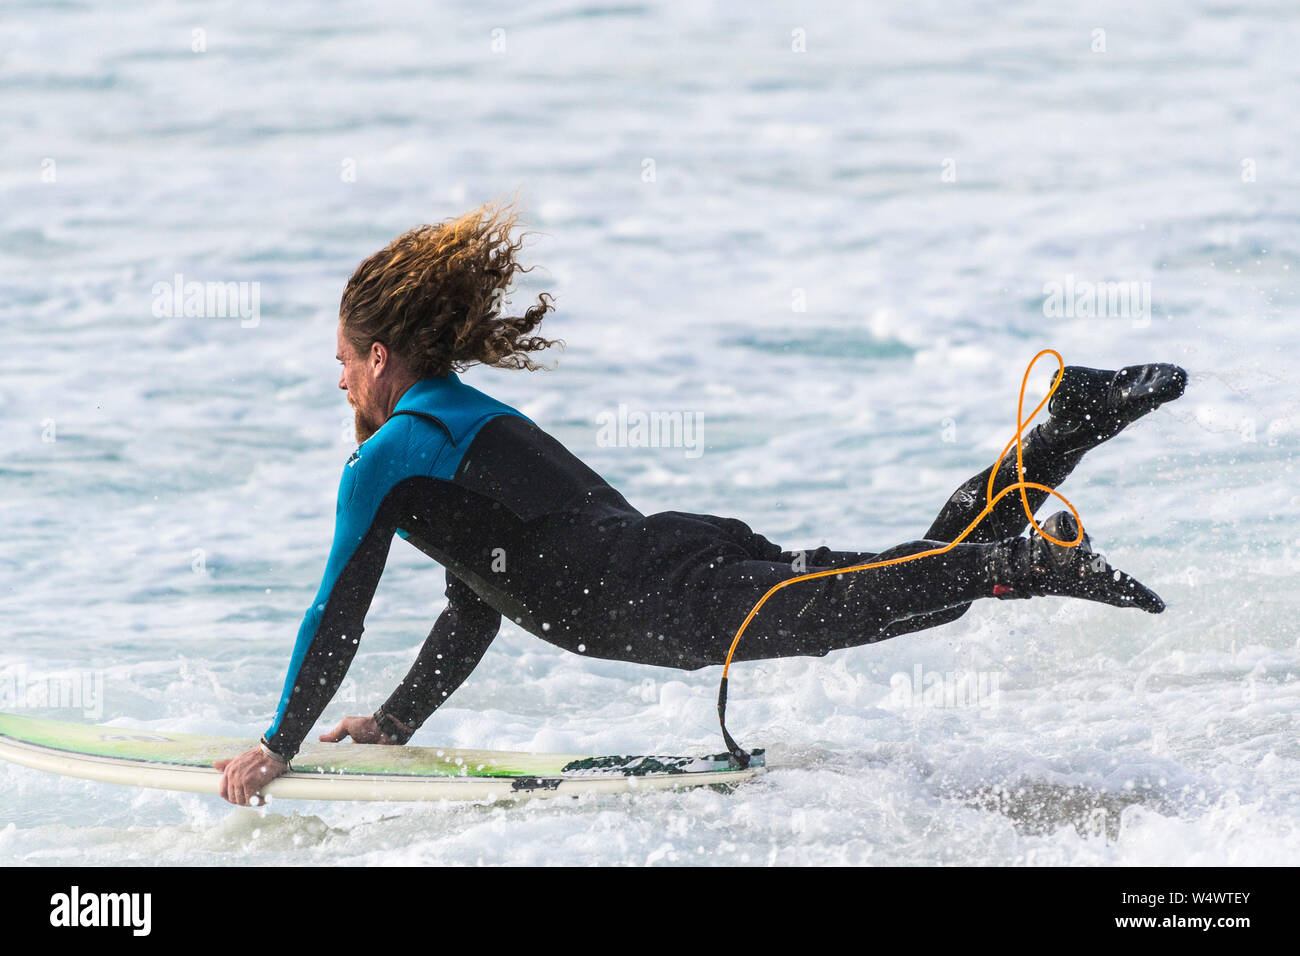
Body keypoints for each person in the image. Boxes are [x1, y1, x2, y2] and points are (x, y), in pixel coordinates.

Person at [215, 200, 1187, 806]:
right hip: (675, 557)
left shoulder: (386, 457)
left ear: (380, 358)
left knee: (908, 590)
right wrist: (395, 721)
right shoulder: (465, 419)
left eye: (342, 362)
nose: (338, 382)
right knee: (905, 581)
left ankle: (1021, 560)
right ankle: (1061, 428)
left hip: (661, 595)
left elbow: (334, 608)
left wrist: (275, 743)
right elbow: (482, 595)